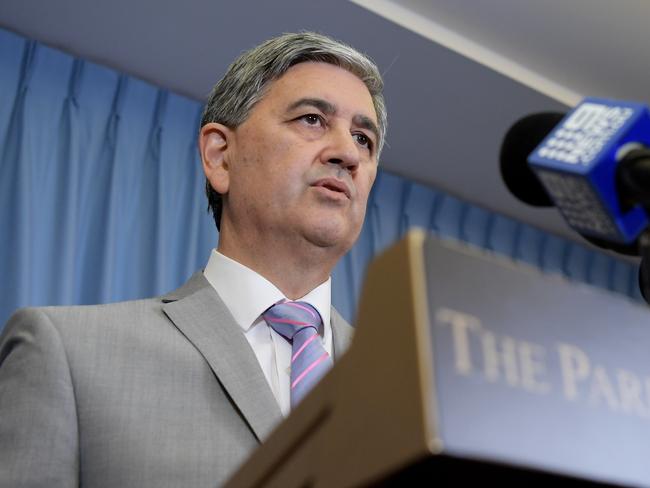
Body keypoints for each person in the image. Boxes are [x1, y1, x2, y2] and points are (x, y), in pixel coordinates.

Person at [0, 32, 386, 487]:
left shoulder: (408, 389)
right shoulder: (66, 353)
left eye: (364, 139)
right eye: (312, 120)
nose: (347, 153)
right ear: (220, 156)